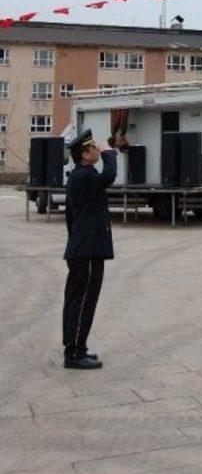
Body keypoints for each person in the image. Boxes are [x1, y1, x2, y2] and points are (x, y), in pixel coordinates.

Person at [62, 129, 119, 369]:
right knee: (83, 301)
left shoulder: (81, 175)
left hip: (84, 248)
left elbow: (70, 217)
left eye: (97, 147)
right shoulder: (84, 176)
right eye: (94, 148)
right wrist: (110, 153)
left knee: (81, 300)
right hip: (86, 251)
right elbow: (109, 176)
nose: (97, 150)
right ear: (85, 155)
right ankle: (74, 354)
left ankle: (78, 347)